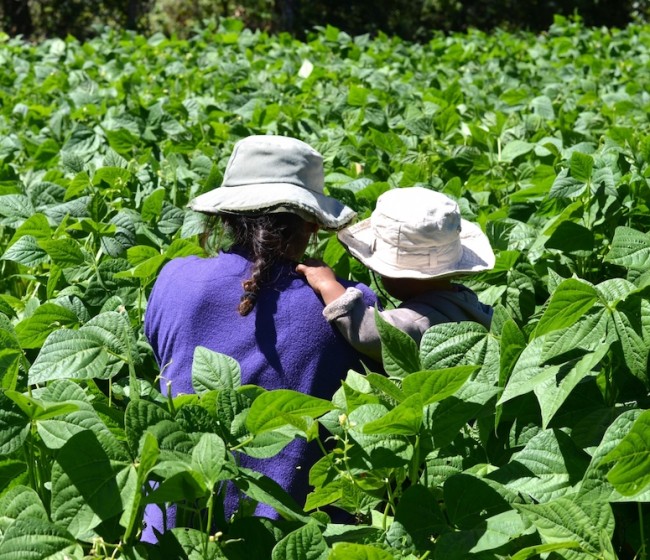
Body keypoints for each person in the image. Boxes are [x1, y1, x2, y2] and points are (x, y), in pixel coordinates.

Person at [142, 135, 378, 542]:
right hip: (292, 537)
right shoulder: (347, 306)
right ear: (312, 224)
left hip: (172, 533)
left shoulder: (172, 279)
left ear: (228, 216)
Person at [296, 186, 495, 363]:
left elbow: (367, 331)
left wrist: (328, 285)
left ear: (403, 276)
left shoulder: (418, 321)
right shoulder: (466, 300)